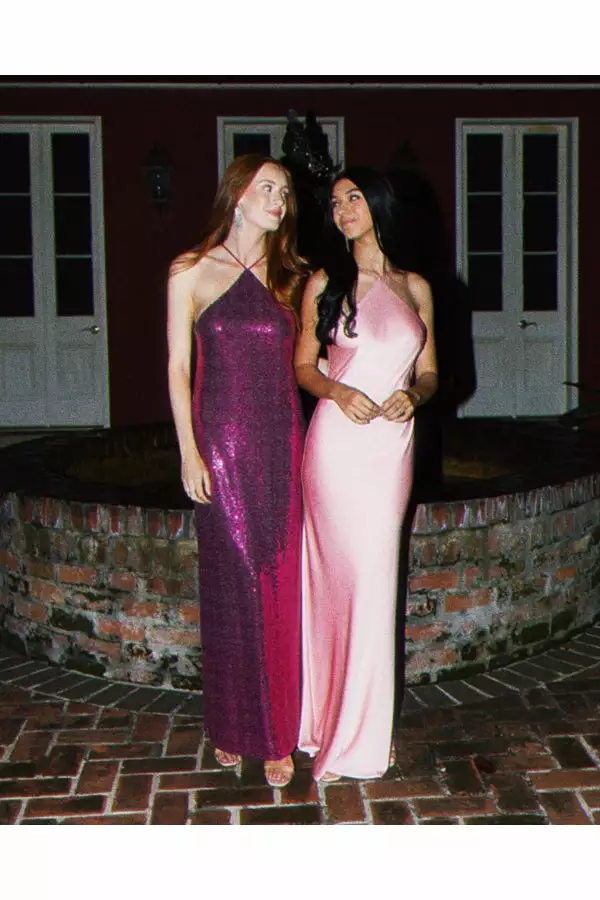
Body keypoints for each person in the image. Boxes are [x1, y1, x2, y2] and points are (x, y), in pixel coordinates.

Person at [167, 154, 306, 788]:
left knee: (276, 581)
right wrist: (188, 452)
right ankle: (229, 724)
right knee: (229, 583)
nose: (279, 199)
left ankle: (276, 733)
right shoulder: (190, 271)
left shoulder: (292, 276)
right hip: (219, 445)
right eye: (267, 187)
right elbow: (178, 369)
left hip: (281, 444)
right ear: (238, 195)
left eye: (285, 191)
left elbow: (314, 359)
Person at [295, 167, 438, 782]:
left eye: (353, 198)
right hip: (337, 445)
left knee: (377, 581)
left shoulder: (415, 286)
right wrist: (336, 390)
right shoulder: (324, 282)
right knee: (341, 581)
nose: (342, 210)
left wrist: (416, 396)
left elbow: (430, 372)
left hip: (392, 448)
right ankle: (335, 727)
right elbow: (303, 365)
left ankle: (365, 729)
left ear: (379, 204)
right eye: (335, 203)